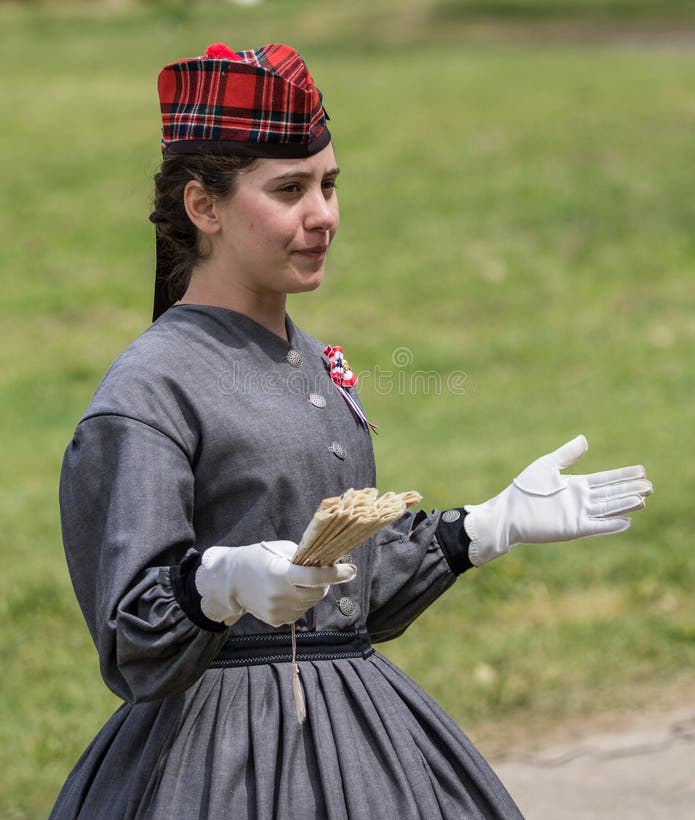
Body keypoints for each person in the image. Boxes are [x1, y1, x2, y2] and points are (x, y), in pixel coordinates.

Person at [50, 42, 652, 819]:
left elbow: (346, 595)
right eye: (290, 189)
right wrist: (220, 583)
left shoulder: (306, 362)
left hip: (355, 726)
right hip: (214, 760)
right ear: (204, 207)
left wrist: (482, 528)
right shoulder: (150, 390)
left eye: (329, 185)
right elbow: (133, 635)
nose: (322, 215)